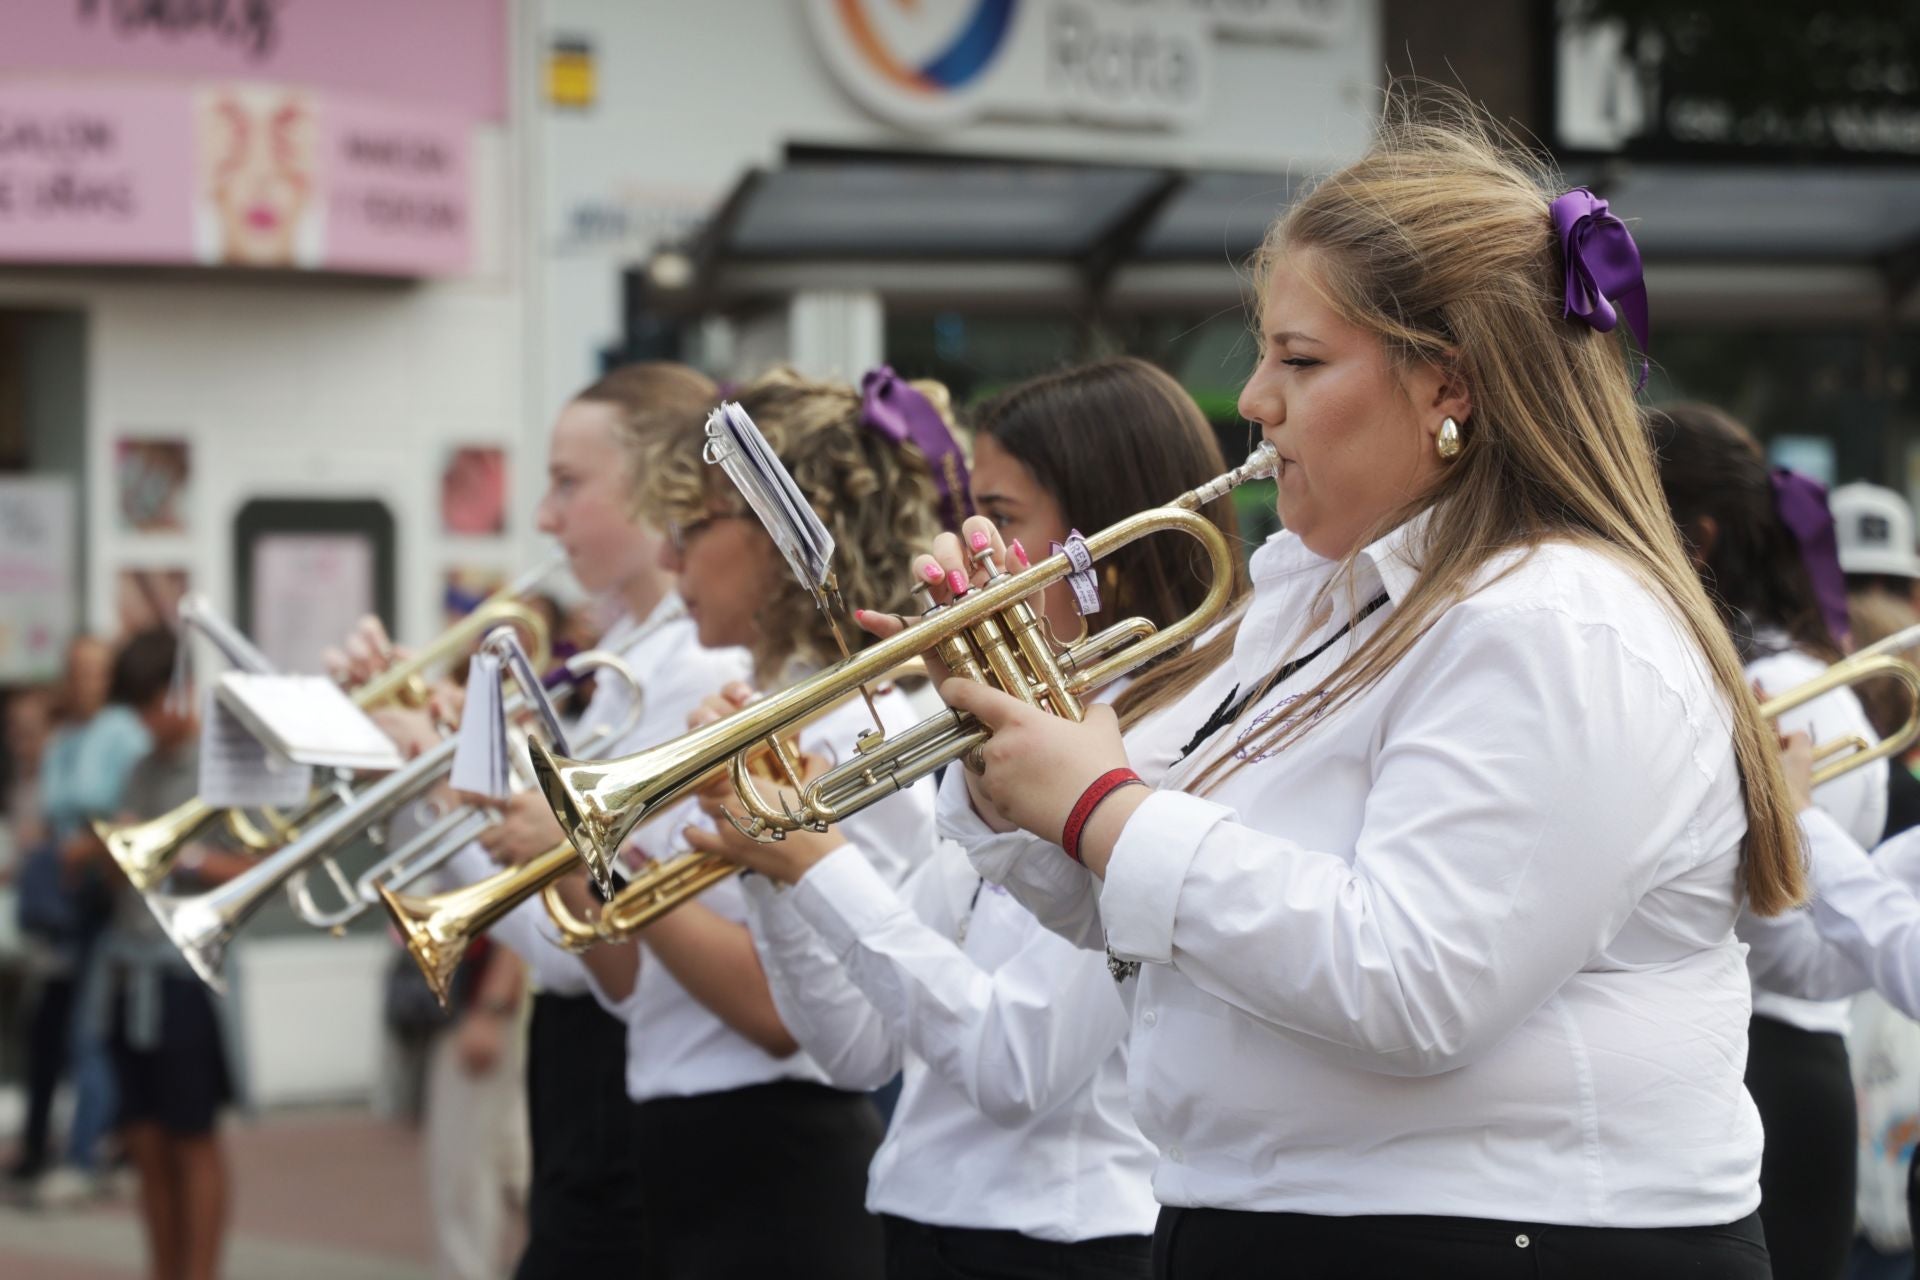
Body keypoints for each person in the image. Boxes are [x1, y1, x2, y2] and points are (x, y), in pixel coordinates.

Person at [888, 101, 1798, 1279]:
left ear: (1447, 387)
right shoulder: (1327, 596)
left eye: (1300, 360)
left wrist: (1104, 804)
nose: (1254, 400)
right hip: (1292, 1222)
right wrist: (1004, 748)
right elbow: (1153, 933)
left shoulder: (1550, 619)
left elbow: (1418, 984)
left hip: (1505, 1240)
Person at [699, 358, 1234, 1279]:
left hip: (1069, 1241)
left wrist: (824, 871)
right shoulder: (1015, 731)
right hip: (925, 1223)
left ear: (1104, 536)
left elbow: (1014, 1068)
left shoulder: (1162, 753)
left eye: (1004, 519)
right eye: (967, 518)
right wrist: (776, 866)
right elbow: (855, 1050)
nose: (963, 559)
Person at [523, 365, 948, 1280]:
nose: (671, 558)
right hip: (687, 1143)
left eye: (696, 525)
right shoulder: (755, 704)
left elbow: (776, 1016)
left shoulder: (847, 721)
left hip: (776, 1158)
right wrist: (576, 871)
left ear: (779, 535)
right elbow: (633, 986)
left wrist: (610, 872)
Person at [329, 361, 750, 1279]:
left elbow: (586, 948)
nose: (543, 519)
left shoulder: (686, 674)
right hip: (586, 1071)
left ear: (661, 491)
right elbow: (515, 908)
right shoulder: (618, 664)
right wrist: (427, 772)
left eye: (568, 484)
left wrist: (446, 774)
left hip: (636, 1075)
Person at [1652, 401, 1886, 1280]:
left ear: (1699, 539)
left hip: (1762, 1063)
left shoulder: (1761, 687)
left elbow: (1788, 932)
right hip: (1799, 1069)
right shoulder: (1820, 679)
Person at [78, 628, 251, 1280]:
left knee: (192, 1137)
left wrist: (186, 856)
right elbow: (124, 871)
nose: (147, 723)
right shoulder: (141, 768)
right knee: (144, 1140)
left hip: (185, 976)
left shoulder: (224, 764)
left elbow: (261, 867)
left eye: (151, 705)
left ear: (177, 693)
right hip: (129, 970)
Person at [12, 635, 151, 1202]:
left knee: (89, 1030)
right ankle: (95, 1144)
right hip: (67, 908)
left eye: (95, 672)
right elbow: (52, 814)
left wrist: (86, 846)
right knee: (60, 1030)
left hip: (111, 902)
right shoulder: (65, 740)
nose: (84, 682)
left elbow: (135, 817)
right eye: (76, 672)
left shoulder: (124, 734)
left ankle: (88, 1153)